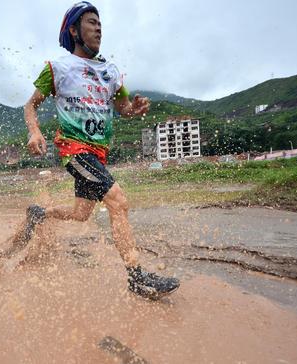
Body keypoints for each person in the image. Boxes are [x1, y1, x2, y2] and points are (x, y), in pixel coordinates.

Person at [22, 1, 179, 299]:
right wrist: (34, 130)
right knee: (118, 201)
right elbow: (30, 104)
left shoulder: (111, 72)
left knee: (81, 213)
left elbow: (123, 109)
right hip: (74, 150)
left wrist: (136, 108)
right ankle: (136, 276)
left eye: (101, 25)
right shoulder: (57, 68)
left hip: (97, 154)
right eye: (92, 23)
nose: (98, 29)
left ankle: (39, 213)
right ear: (74, 30)